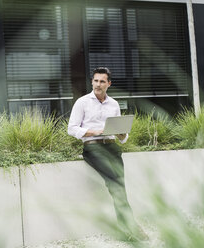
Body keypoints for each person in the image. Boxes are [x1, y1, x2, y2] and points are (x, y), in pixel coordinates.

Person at [67, 67, 148, 241]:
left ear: (108, 84)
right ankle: (131, 228)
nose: (98, 84)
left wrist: (121, 134)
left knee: (120, 185)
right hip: (93, 148)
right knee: (115, 184)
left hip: (112, 147)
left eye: (102, 81)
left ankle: (126, 227)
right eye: (95, 80)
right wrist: (96, 132)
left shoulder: (114, 104)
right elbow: (72, 129)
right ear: (92, 82)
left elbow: (123, 137)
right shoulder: (82, 102)